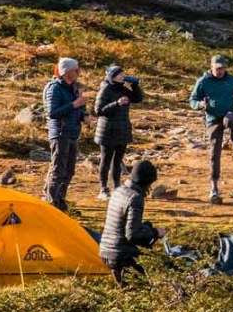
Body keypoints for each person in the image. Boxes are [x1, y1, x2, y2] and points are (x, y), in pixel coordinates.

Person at [189, 54, 233, 204]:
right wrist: (199, 105)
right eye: (217, 68)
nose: (220, 71)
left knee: (229, 121)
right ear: (212, 67)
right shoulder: (203, 81)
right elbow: (193, 99)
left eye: (222, 68)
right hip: (212, 118)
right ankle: (214, 186)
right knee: (215, 151)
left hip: (229, 112)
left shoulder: (231, 80)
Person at [98, 158, 160, 284]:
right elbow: (132, 234)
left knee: (126, 291)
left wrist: (146, 227)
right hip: (122, 255)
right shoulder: (135, 198)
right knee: (145, 287)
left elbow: (122, 225)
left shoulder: (118, 191)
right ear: (146, 182)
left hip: (106, 250)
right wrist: (155, 232)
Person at [42, 56, 85, 211]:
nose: (78, 72)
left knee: (69, 170)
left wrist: (84, 116)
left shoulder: (73, 88)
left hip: (72, 133)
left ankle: (60, 201)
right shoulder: (54, 88)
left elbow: (77, 110)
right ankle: (51, 203)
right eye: (76, 69)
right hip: (60, 133)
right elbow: (52, 113)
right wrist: (74, 104)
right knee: (58, 170)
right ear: (67, 72)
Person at [94, 63, 141, 198]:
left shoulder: (122, 88)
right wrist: (117, 103)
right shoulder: (105, 89)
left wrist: (135, 84)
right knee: (106, 159)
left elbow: (138, 98)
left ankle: (116, 187)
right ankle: (103, 188)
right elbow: (98, 110)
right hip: (107, 130)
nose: (123, 76)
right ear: (112, 77)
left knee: (118, 160)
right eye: (120, 74)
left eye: (123, 74)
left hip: (122, 129)